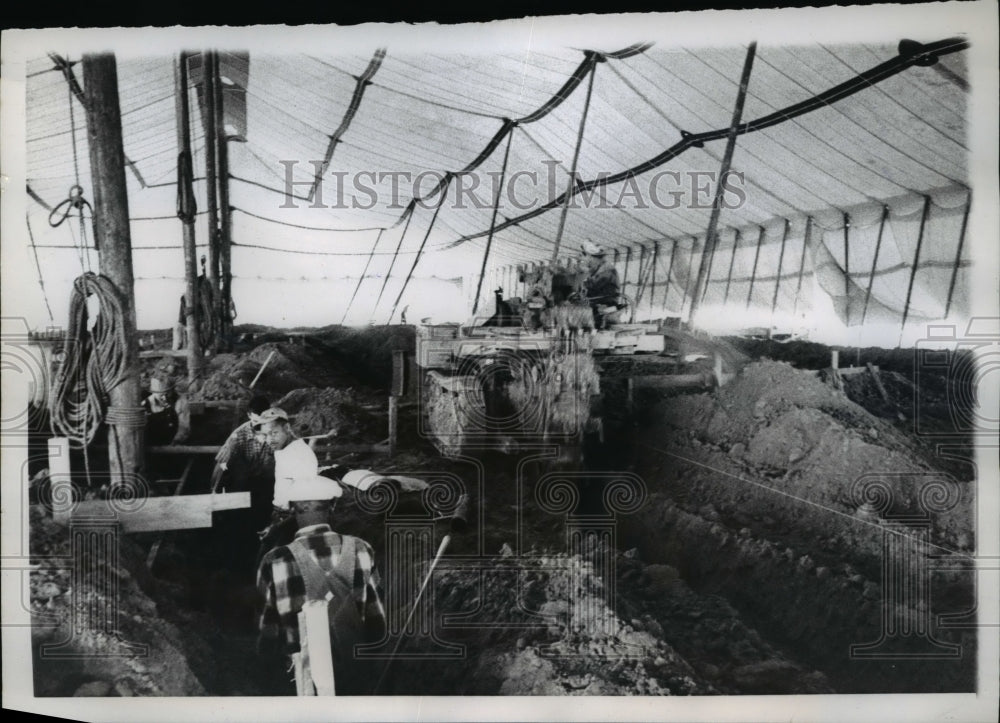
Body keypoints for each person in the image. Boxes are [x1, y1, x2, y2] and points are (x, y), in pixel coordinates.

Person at [256, 476, 387, 695]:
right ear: (332, 506)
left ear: (293, 509)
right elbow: (377, 623)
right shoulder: (362, 549)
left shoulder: (275, 560)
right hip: (356, 675)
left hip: (302, 681)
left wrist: (267, 673)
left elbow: (268, 632)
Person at [255, 407, 321, 564]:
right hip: (280, 515)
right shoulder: (283, 449)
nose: (269, 439)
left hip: (292, 520)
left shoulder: (300, 454)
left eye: (274, 433)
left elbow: (304, 499)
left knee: (272, 565)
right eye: (265, 435)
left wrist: (277, 528)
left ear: (286, 428)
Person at [211, 395, 275, 527]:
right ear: (249, 415)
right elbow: (222, 464)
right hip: (244, 482)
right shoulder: (238, 435)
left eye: (264, 422)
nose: (260, 426)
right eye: (257, 422)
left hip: (267, 481)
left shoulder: (276, 430)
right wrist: (216, 493)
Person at [581, 241, 622, 329]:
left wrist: (583, 281)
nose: (588, 260)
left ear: (594, 258)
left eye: (588, 257)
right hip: (600, 300)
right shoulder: (600, 268)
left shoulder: (607, 270)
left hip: (607, 302)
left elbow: (593, 284)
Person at [143, 375, 191, 446]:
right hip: (153, 443)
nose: (163, 396)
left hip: (174, 442)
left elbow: (184, 427)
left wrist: (175, 441)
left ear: (171, 390)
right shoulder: (146, 403)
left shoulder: (180, 402)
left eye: (166, 392)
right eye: (158, 392)